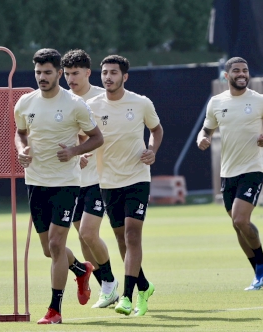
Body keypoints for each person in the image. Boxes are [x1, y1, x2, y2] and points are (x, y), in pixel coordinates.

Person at [14, 48, 104, 324]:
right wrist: (22, 149)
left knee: (56, 243)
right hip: (36, 182)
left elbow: (97, 138)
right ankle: (80, 269)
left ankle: (55, 310)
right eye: (38, 72)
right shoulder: (24, 103)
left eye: (48, 72)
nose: (42, 77)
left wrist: (74, 152)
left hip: (65, 183)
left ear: (58, 74)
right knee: (48, 250)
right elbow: (20, 133)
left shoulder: (75, 104)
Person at [197, 57, 263, 291]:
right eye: (236, 71)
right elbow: (205, 130)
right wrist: (202, 139)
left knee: (240, 219)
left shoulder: (260, 100)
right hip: (228, 172)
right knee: (238, 226)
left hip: (252, 168)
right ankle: (258, 271)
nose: (242, 74)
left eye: (245, 70)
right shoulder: (216, 102)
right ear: (227, 76)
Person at [87, 55, 164, 316]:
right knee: (121, 238)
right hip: (108, 181)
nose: (108, 77)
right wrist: (83, 152)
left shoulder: (141, 103)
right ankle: (144, 285)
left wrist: (152, 150)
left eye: (113, 73)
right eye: (105, 73)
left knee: (132, 235)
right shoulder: (91, 106)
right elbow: (84, 135)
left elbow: (157, 130)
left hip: (137, 178)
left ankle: (128, 297)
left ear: (124, 77)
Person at [61, 49, 119, 309]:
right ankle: (106, 287)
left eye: (75, 73)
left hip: (99, 178)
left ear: (87, 73)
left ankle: (109, 284)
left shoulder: (101, 97)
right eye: (67, 73)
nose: (70, 79)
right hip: (71, 180)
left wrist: (87, 152)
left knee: (88, 232)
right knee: (82, 237)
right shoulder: (61, 100)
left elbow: (108, 135)